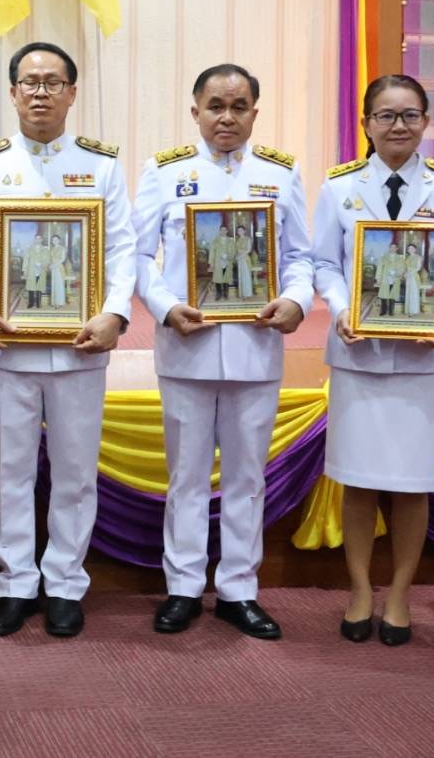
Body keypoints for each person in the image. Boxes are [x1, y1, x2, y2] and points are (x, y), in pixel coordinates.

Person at [0, 41, 136, 639]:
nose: (40, 93)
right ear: (12, 93)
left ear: (72, 93)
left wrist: (114, 314)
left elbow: (122, 248)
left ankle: (65, 584)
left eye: (53, 82)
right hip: (9, 348)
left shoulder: (101, 166)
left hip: (81, 348)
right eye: (29, 82)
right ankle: (14, 583)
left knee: (76, 472)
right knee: (11, 471)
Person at [132, 63, 313, 640]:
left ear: (255, 112)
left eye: (238, 107)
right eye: (215, 106)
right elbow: (137, 256)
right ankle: (183, 586)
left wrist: (295, 300)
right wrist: (165, 307)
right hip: (187, 347)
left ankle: (238, 589)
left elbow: (300, 257)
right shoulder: (165, 173)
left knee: (246, 478)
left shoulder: (280, 174)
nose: (227, 117)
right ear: (196, 112)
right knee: (186, 477)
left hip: (256, 347)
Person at [314, 74, 434, 646]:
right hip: (358, 356)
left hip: (423, 361)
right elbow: (325, 264)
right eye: (385, 115)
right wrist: (341, 309)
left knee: (413, 484)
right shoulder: (339, 186)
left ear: (426, 121)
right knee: (358, 482)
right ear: (366, 123)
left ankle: (401, 593)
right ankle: (360, 590)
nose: (398, 126)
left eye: (409, 115)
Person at [377, 243, 404, 318]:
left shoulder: (400, 258)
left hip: (395, 279)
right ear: (389, 248)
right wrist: (378, 278)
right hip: (385, 278)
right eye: (391, 247)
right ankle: (383, 311)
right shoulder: (384, 257)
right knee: (384, 295)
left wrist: (396, 273)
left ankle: (391, 311)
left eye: (394, 247)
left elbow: (402, 268)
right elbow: (379, 268)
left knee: (393, 295)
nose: (393, 249)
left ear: (397, 249)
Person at [210, 225, 235, 301]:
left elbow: (234, 251)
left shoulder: (231, 241)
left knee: (226, 279)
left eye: (224, 230)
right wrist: (211, 263)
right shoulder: (215, 241)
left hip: (227, 262)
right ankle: (218, 294)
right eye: (221, 230)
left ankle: (226, 294)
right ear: (219, 231)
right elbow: (212, 252)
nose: (223, 231)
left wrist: (228, 256)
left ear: (227, 231)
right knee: (217, 279)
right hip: (218, 263)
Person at [24, 234, 48, 309]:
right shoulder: (29, 249)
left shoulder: (45, 249)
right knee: (31, 286)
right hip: (31, 270)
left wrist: (43, 264)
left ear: (41, 240)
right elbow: (26, 260)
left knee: (39, 286)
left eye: (39, 238)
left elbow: (48, 259)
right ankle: (30, 303)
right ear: (34, 239)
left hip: (41, 270)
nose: (38, 240)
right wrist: (25, 270)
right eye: (36, 238)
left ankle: (38, 303)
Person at [47, 233, 69, 308]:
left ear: (59, 240)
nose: (55, 241)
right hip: (53, 268)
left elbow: (62, 259)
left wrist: (54, 265)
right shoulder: (52, 249)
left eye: (56, 239)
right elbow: (50, 259)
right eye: (53, 240)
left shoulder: (62, 248)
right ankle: (54, 302)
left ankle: (59, 302)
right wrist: (50, 265)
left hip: (59, 268)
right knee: (54, 285)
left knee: (59, 285)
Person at [235, 224, 256, 300]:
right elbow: (237, 250)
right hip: (239, 259)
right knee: (240, 276)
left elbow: (248, 250)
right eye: (238, 230)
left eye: (241, 230)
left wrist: (241, 256)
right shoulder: (237, 240)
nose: (240, 232)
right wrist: (237, 256)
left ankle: (247, 293)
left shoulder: (248, 239)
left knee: (246, 276)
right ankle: (241, 293)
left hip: (245, 259)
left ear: (244, 231)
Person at [403, 241, 425, 317]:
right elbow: (405, 268)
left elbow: (418, 268)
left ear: (415, 249)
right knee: (408, 293)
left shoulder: (418, 257)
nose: (410, 249)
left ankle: (414, 311)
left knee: (414, 293)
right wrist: (405, 274)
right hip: (408, 277)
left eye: (412, 248)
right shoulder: (407, 258)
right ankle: (408, 310)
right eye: (409, 248)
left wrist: (409, 273)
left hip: (414, 276)